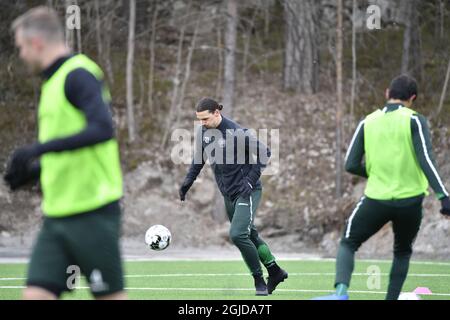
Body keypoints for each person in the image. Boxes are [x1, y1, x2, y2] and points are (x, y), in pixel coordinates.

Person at [4, 6, 126, 300]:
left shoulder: (78, 74)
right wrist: (33, 172)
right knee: (34, 295)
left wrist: (37, 149)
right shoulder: (52, 83)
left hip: (92, 213)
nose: (20, 55)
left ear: (36, 43)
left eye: (20, 47)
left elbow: (102, 129)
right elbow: (70, 150)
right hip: (56, 217)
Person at [314, 75, 450, 300]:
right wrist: (443, 196)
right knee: (402, 252)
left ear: (387, 93)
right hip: (410, 201)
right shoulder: (415, 120)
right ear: (412, 98)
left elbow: (350, 163)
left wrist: (376, 172)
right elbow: (426, 159)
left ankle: (340, 293)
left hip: (376, 199)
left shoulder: (368, 122)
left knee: (348, 242)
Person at [179, 98, 288, 296]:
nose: (202, 123)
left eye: (205, 119)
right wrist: (187, 182)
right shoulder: (203, 132)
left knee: (238, 234)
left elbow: (265, 152)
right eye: (199, 120)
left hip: (248, 191)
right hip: (228, 195)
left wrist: (250, 180)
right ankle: (275, 271)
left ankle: (259, 281)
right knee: (251, 235)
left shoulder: (236, 132)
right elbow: (198, 159)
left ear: (216, 113)